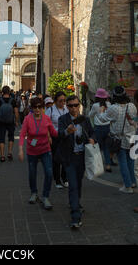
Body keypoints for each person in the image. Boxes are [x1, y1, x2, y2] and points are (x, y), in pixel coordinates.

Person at [56, 95, 96, 229]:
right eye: (70, 106)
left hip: (82, 156)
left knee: (78, 183)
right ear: (67, 106)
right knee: (72, 184)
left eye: (75, 105)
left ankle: (76, 203)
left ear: (79, 105)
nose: (73, 108)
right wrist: (67, 131)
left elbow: (92, 132)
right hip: (69, 157)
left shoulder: (85, 119)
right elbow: (59, 135)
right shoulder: (63, 119)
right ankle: (75, 216)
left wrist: (92, 139)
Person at [19, 97, 58, 210]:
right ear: (32, 108)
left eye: (39, 107)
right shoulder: (27, 119)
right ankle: (34, 193)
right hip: (32, 151)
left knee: (49, 173)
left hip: (45, 150)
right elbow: (22, 135)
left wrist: (66, 131)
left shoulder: (46, 119)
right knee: (32, 173)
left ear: (43, 108)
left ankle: (45, 196)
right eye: (35, 107)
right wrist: (20, 149)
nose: (37, 109)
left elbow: (54, 133)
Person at [97, 85, 137, 193]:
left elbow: (102, 118)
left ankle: (127, 186)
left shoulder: (114, 108)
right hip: (133, 138)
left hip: (120, 138)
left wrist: (101, 111)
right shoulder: (132, 106)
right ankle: (133, 181)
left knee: (122, 161)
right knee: (131, 161)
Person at [45, 91, 69, 189]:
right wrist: (49, 136)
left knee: (66, 158)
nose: (62, 103)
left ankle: (65, 178)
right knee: (56, 160)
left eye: (64, 100)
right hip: (55, 137)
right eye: (60, 101)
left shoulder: (67, 109)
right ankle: (57, 180)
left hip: (66, 136)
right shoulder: (50, 110)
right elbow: (45, 124)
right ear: (55, 101)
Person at [89, 88, 112, 172]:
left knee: (97, 147)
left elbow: (90, 115)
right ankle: (108, 165)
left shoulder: (95, 105)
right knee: (106, 147)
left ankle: (97, 165)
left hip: (98, 128)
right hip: (107, 127)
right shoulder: (109, 104)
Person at [0, 86, 19, 162]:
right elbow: (16, 112)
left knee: (1, 138)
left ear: (2, 92)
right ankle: (9, 153)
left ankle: (2, 156)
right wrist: (16, 121)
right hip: (10, 121)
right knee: (11, 137)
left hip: (1, 121)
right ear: (9, 92)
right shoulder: (13, 101)